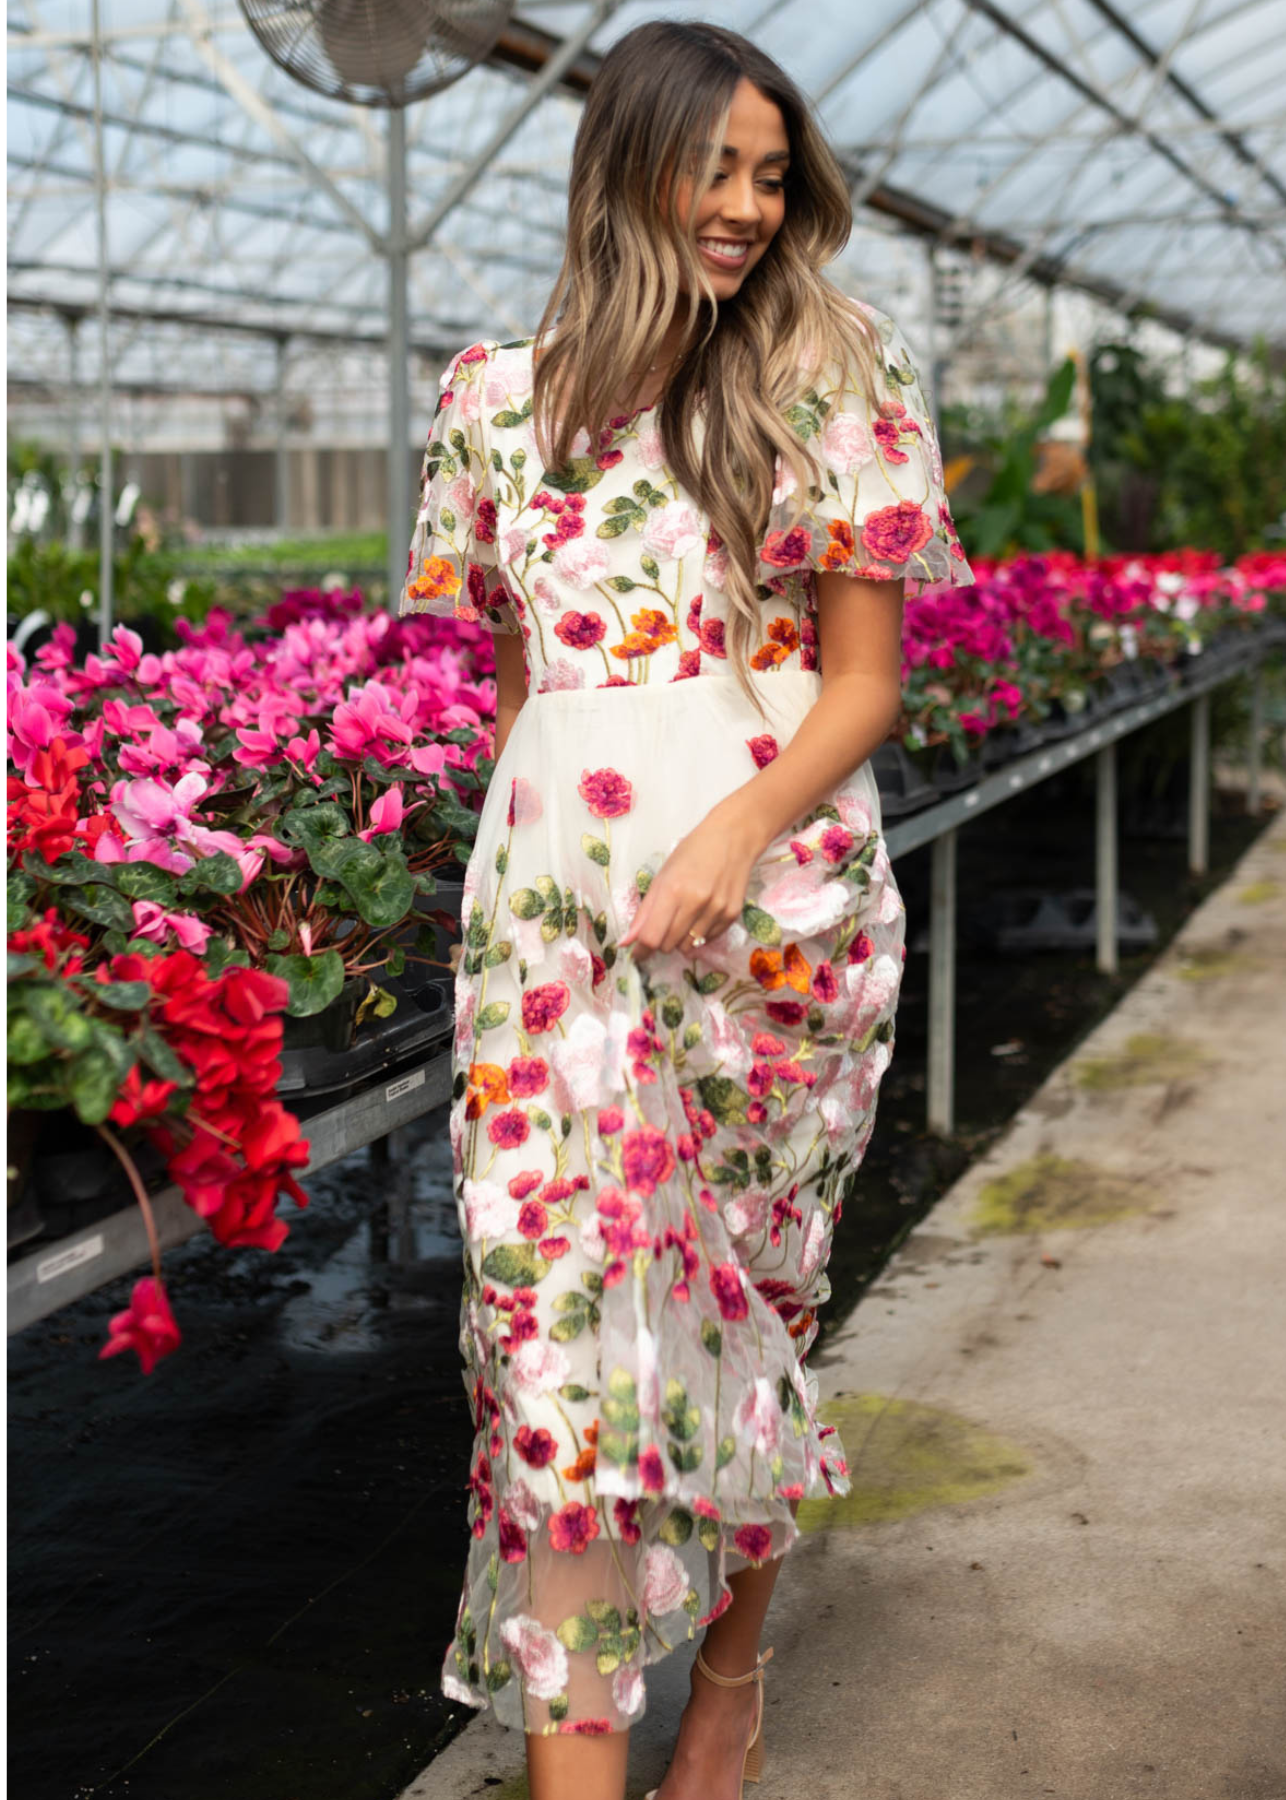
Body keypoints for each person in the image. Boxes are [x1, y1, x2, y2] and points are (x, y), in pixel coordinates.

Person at [399, 19, 974, 1800]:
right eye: (713, 166)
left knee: (753, 1318)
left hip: (779, 919)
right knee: (552, 1359)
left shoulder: (823, 366)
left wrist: (729, 834)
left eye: (769, 175)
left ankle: (726, 1686)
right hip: (558, 943)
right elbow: (527, 694)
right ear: (625, 162)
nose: (740, 206)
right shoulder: (495, 397)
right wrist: (539, 874)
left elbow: (862, 687)